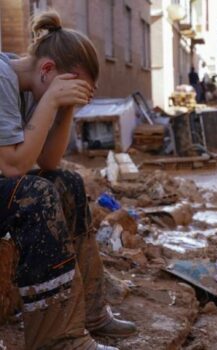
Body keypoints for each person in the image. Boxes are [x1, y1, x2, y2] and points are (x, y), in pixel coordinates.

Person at [0, 10, 136, 350]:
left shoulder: (32, 85)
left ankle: (90, 312)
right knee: (36, 194)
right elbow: (14, 165)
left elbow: (47, 160)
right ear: (48, 69)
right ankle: (56, 340)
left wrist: (66, 109)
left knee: (68, 184)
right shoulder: (1, 78)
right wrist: (50, 101)